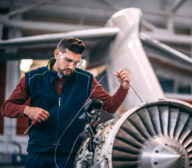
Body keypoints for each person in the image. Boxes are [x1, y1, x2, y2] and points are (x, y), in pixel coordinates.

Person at [0, 37, 131, 168]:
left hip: (71, 156)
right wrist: (27, 110)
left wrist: (123, 87)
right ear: (57, 54)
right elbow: (6, 107)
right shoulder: (33, 78)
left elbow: (110, 106)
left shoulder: (86, 80)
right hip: (38, 155)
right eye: (68, 60)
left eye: (76, 62)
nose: (71, 67)